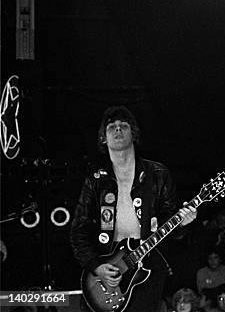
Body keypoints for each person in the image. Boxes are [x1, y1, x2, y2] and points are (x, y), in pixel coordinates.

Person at [70, 106, 197, 312]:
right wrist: (96, 266)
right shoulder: (96, 180)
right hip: (108, 267)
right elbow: (78, 230)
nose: (118, 130)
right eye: (111, 127)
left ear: (134, 134)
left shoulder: (157, 174)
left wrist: (183, 224)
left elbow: (173, 230)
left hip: (148, 265)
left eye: (124, 125)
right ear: (103, 137)